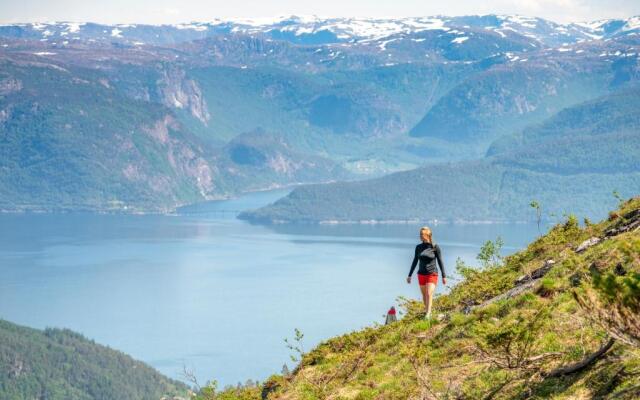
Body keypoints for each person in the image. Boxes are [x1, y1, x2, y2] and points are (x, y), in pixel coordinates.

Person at [406, 226, 446, 320]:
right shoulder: (418, 247)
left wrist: (444, 276)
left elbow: (440, 261)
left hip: (432, 273)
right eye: (420, 234)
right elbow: (415, 261)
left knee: (429, 294)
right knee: (424, 295)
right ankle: (427, 311)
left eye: (422, 234)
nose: (420, 236)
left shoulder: (435, 247)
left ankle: (428, 314)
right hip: (421, 274)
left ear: (427, 235)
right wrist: (409, 275)